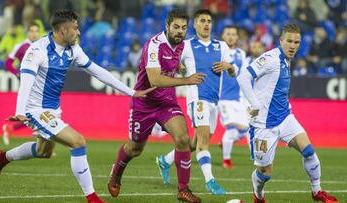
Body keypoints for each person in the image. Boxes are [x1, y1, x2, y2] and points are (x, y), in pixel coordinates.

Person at [0, 10, 154, 203]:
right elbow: (26, 80)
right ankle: (92, 197)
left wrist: (131, 92)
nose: (78, 33)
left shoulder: (73, 49)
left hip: (53, 109)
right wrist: (20, 112)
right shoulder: (38, 50)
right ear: (63, 30)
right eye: (75, 29)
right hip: (35, 109)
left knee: (43, 151)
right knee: (78, 141)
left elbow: (98, 71)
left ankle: (4, 157)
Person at [107, 8, 205, 203]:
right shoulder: (154, 45)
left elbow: (174, 64)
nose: (180, 31)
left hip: (166, 102)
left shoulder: (182, 46)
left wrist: (179, 67)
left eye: (184, 28)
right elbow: (155, 79)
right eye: (176, 27)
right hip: (144, 103)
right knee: (135, 149)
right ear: (167, 26)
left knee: (183, 138)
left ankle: (183, 190)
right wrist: (186, 80)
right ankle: (116, 173)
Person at [237, 24, 339, 203]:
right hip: (263, 125)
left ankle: (317, 191)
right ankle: (258, 194)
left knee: (309, 151)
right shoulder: (270, 58)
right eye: (289, 41)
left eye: (296, 42)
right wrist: (254, 103)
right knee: (264, 173)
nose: (293, 45)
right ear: (281, 41)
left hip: (285, 117)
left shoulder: (287, 59)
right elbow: (243, 77)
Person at [155, 9, 235, 195]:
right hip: (197, 98)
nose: (206, 24)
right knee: (204, 142)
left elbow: (233, 71)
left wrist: (229, 66)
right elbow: (170, 62)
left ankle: (165, 161)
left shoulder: (221, 46)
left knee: (195, 143)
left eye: (209, 21)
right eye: (202, 21)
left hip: (214, 100)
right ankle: (210, 181)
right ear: (196, 25)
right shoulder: (187, 46)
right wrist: (179, 65)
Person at [2, 22, 41, 146]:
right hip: (27, 83)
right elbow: (8, 63)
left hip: (39, 84)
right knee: (37, 113)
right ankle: (42, 142)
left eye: (36, 31)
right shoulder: (21, 46)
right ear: (27, 32)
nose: (34, 34)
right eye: (32, 31)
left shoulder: (41, 46)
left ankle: (10, 129)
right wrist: (17, 73)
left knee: (37, 113)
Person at [218, 25, 250, 169]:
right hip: (223, 98)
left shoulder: (241, 53)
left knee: (246, 130)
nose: (231, 36)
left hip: (238, 98)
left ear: (237, 37)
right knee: (231, 129)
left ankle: (224, 144)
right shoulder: (218, 52)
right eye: (228, 34)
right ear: (223, 36)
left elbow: (243, 75)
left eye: (233, 34)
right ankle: (226, 160)